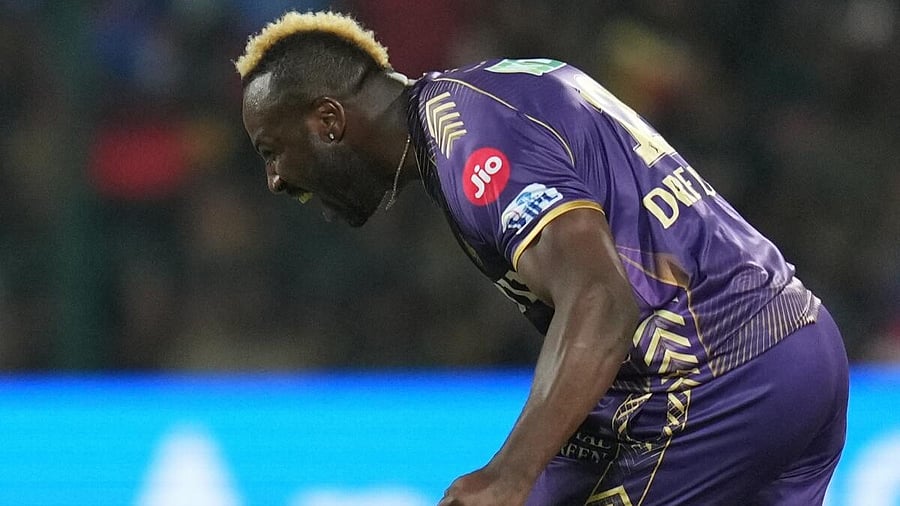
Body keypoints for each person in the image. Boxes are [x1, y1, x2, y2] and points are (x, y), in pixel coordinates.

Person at [236, 11, 849, 506]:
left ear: (328, 120)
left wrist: (510, 472)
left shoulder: (471, 145)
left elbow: (602, 301)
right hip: (789, 345)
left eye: (270, 151)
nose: (274, 179)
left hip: (721, 378)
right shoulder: (487, 95)